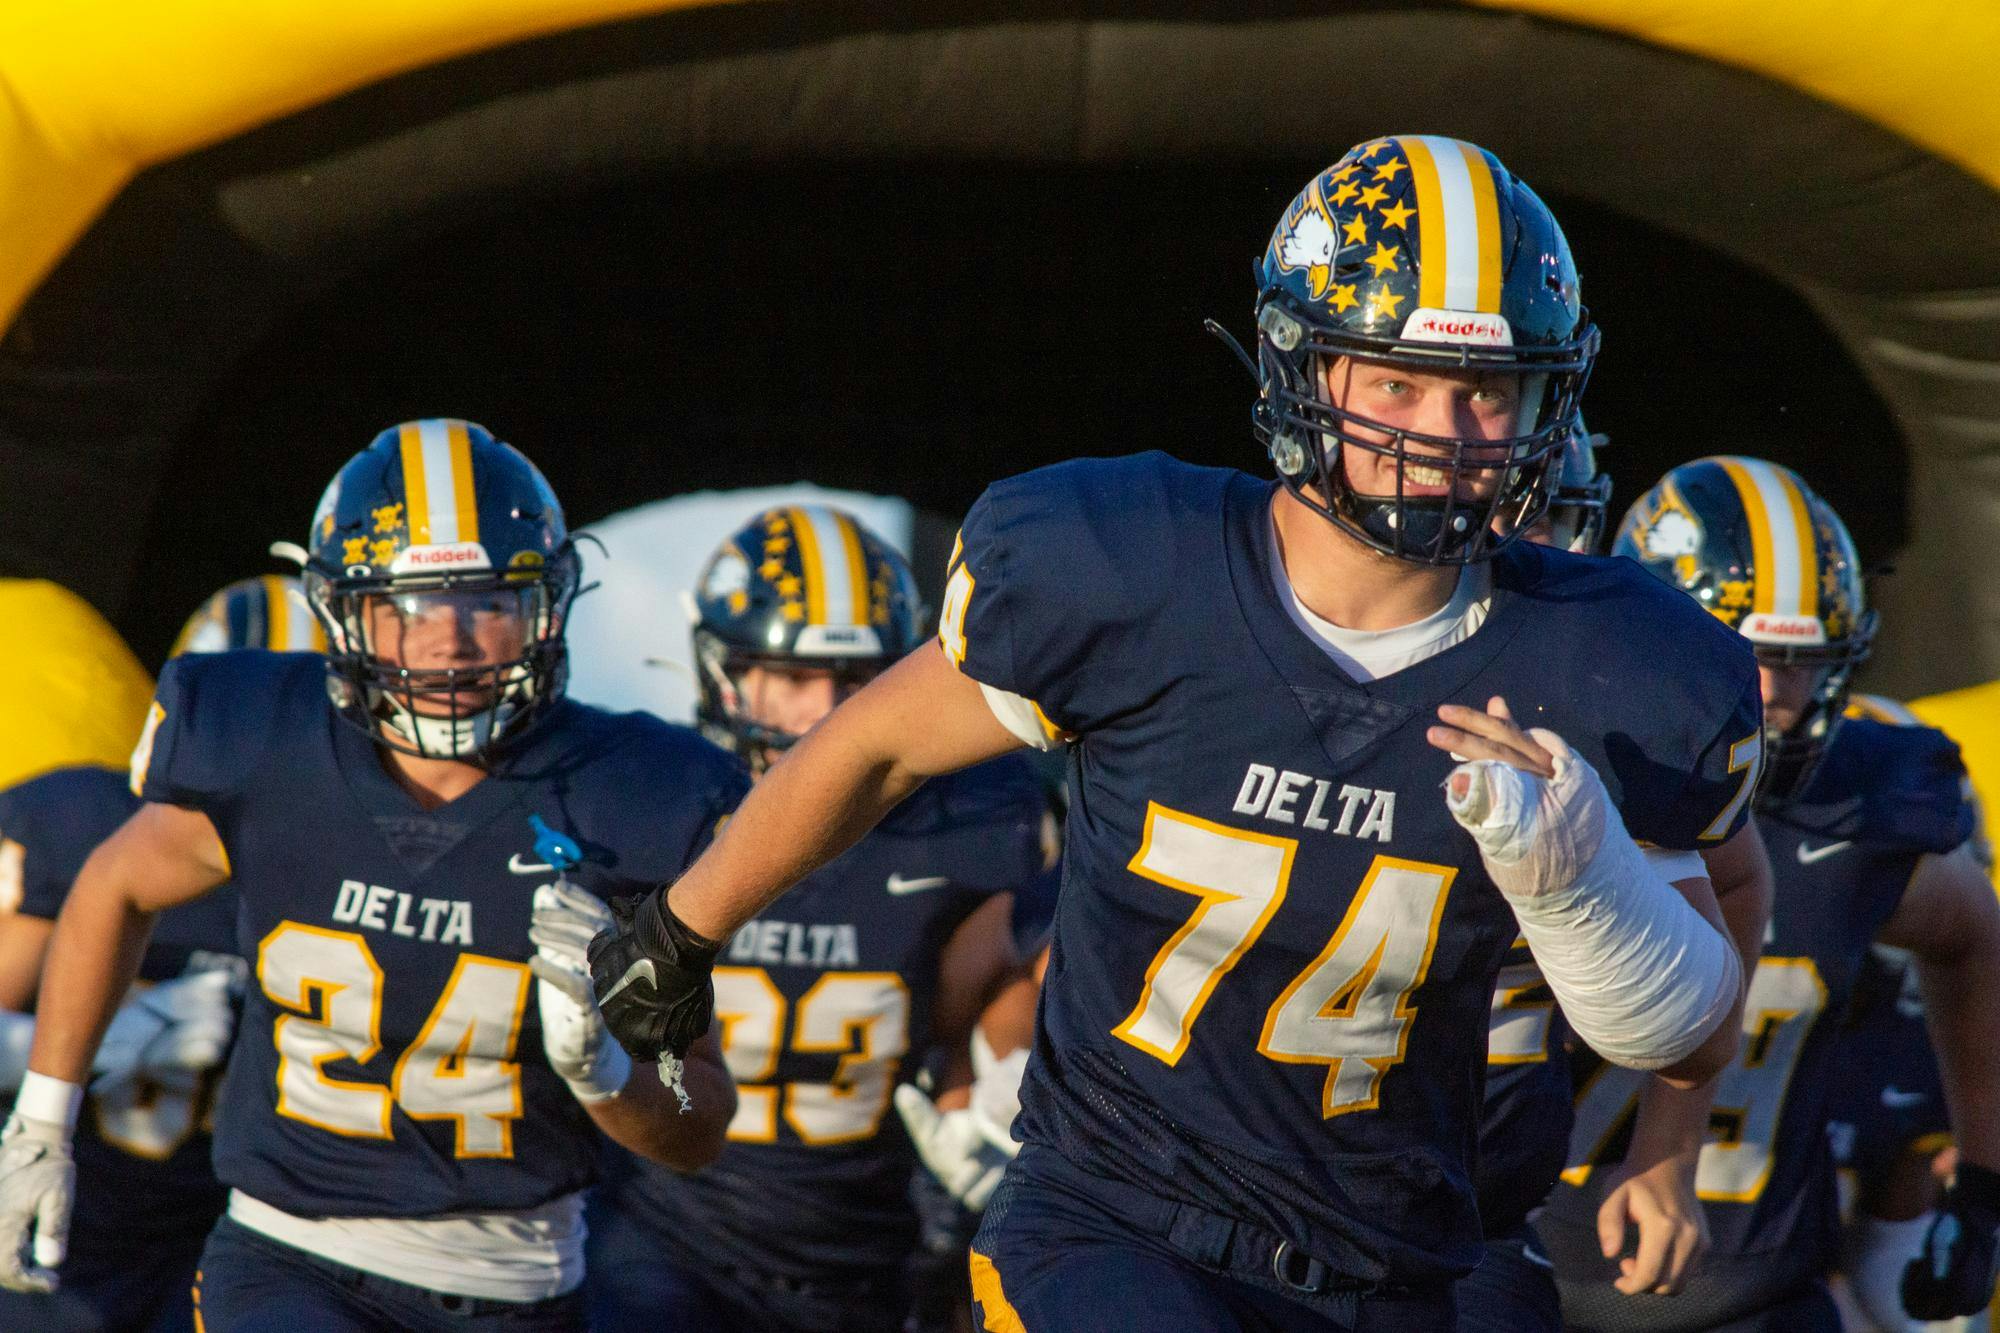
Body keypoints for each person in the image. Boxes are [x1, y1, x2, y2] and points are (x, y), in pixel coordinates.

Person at [588, 137, 1770, 1332]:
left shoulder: (1607, 664)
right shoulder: (1132, 571)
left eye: (1485, 391)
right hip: (1117, 1225)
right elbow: (872, 747)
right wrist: (677, 932)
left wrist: (1584, 885)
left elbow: (1692, 1023)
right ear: (1303, 364)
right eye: (1395, 382)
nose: (1443, 433)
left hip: (1398, 1260)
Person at [0, 419, 744, 1332]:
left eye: (487, 602)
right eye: (410, 607)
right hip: (285, 1257)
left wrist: (608, 1072)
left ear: (545, 606)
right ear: (342, 611)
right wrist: (43, 1118)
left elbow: (697, 1124)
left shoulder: (634, 795)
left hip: (521, 1283)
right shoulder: (272, 744)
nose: (450, 642)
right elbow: (114, 884)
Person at [1541, 457, 2000, 1332]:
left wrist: (1983, 1182)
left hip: (1753, 1294)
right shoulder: (1568, 784)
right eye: (1740, 650)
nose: (1771, 694)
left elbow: (1975, 932)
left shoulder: (1855, 815)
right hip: (1523, 1271)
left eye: (1801, 661)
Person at [585, 506, 1048, 1333]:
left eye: (856, 679)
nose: (829, 711)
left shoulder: (974, 820)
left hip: (868, 1251)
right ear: (724, 671)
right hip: (663, 1238)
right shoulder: (656, 801)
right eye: (797, 677)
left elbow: (983, 1008)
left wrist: (988, 1101)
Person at [0, 577, 303, 1332]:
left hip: (217, 1248)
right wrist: (99, 1042)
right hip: (59, 1231)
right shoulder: (77, 821)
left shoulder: (346, 867)